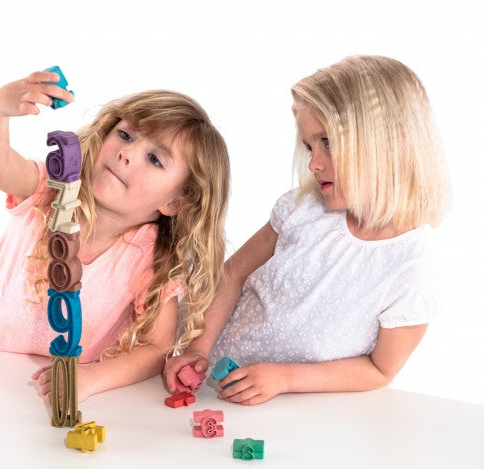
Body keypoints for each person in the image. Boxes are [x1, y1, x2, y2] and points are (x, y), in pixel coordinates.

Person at [163, 55, 450, 405]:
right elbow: (233, 274)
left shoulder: (410, 270)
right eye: (309, 146)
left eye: (327, 142)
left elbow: (379, 370)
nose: (314, 162)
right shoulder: (303, 210)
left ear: (386, 143)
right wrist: (199, 349)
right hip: (211, 389)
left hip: (293, 411)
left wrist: (284, 378)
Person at [0, 69, 230, 401]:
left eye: (154, 159)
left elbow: (157, 348)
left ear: (176, 201)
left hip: (49, 397)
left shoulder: (151, 260)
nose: (127, 153)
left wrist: (90, 379)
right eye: (125, 135)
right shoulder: (51, 191)